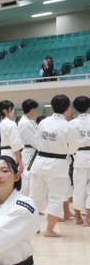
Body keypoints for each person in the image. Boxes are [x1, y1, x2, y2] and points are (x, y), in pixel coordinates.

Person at [30, 94, 79, 237]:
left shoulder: (43, 122)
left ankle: (33, 228)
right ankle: (49, 231)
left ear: (52, 108)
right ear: (68, 108)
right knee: (56, 198)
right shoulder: (68, 126)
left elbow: (37, 140)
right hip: (58, 165)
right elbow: (73, 148)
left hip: (39, 162)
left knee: (35, 197)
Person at [70, 95, 90, 227]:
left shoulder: (72, 124)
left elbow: (69, 142)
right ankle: (87, 219)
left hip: (79, 157)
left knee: (78, 188)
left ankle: (78, 217)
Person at [18, 99, 39, 196]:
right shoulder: (25, 123)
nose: (36, 111)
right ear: (32, 109)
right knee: (27, 178)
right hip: (30, 153)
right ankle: (26, 199)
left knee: (29, 177)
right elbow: (35, 141)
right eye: (35, 109)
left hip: (31, 151)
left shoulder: (29, 122)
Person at [0, 100, 24, 175]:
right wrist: (20, 163)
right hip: (10, 155)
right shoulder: (10, 124)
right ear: (5, 111)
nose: (13, 111)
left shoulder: (0, 123)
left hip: (1, 153)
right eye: (12, 109)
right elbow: (15, 144)